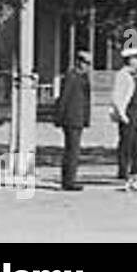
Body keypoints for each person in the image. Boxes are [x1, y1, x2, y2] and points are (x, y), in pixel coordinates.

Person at [53, 50, 92, 191]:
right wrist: (59, 117)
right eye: (85, 62)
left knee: (74, 150)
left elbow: (86, 101)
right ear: (78, 62)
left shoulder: (84, 78)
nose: (87, 66)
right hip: (71, 118)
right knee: (72, 150)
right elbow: (64, 98)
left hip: (79, 119)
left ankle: (70, 179)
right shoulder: (72, 76)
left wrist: (86, 119)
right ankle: (68, 181)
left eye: (89, 63)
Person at [111, 41, 137, 184]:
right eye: (136, 58)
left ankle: (135, 169)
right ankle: (123, 170)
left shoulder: (132, 75)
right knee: (126, 142)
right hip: (128, 112)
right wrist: (122, 114)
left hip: (136, 113)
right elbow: (117, 96)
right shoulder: (123, 75)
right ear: (129, 60)